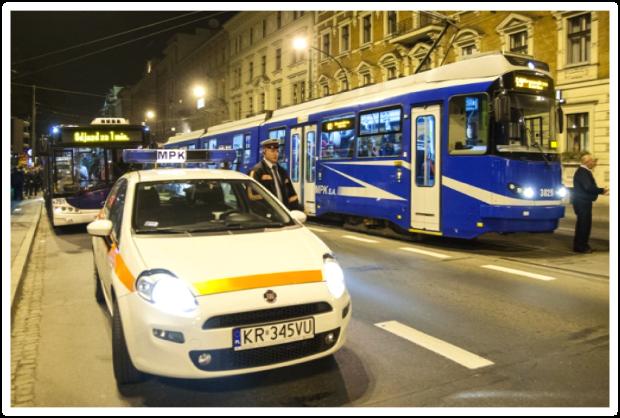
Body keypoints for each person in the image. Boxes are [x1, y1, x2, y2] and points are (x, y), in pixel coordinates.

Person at [571, 153, 609, 253]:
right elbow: (588, 187)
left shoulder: (583, 171)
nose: (594, 163)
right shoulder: (583, 172)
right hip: (582, 203)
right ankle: (581, 247)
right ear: (587, 162)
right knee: (584, 225)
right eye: (593, 161)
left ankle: (581, 245)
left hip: (582, 202)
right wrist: (601, 190)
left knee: (583, 225)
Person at [248, 139, 301, 211]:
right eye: (272, 151)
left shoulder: (282, 171)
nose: (275, 154)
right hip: (268, 215)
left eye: (277, 151)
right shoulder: (257, 171)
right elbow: (252, 196)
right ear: (264, 151)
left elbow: (292, 195)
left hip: (283, 214)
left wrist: (295, 211)